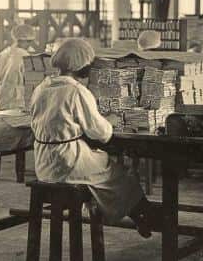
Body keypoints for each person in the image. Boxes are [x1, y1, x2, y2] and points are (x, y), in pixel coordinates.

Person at [30, 38, 154, 237]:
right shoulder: (77, 91)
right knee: (118, 174)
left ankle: (140, 215)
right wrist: (110, 120)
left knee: (103, 168)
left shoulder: (41, 88)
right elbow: (101, 133)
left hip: (44, 164)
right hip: (68, 163)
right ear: (83, 66)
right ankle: (145, 216)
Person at [0, 24, 37, 112]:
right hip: (15, 102)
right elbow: (30, 83)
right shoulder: (25, 56)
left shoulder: (1, 55)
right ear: (29, 41)